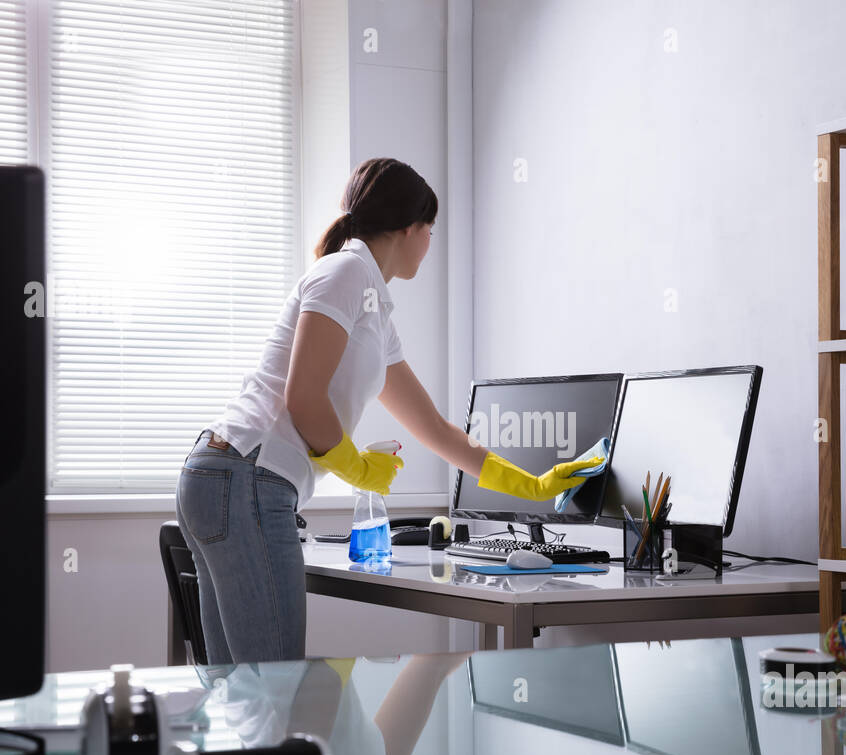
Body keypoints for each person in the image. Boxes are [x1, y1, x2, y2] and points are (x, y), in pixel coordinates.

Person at [175, 158, 604, 665]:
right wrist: (356, 467)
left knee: (244, 696)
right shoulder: (346, 273)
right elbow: (304, 398)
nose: (430, 241)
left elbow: (437, 430)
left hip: (228, 475)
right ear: (410, 228)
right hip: (247, 476)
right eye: (431, 229)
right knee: (275, 690)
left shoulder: (373, 308)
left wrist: (532, 485)